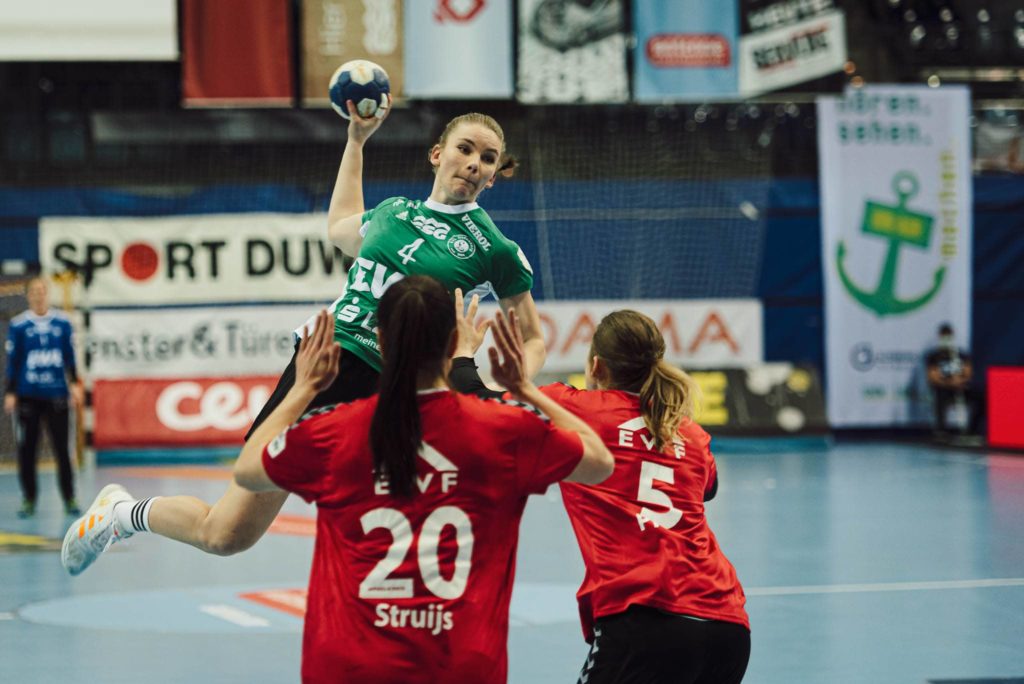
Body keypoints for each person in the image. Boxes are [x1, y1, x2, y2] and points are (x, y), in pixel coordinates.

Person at [62, 102, 548, 575]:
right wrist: (356, 140)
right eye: (465, 148)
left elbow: (531, 338)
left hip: (404, 392)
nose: (475, 163)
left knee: (389, 523)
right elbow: (339, 228)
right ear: (437, 154)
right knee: (227, 534)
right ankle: (121, 514)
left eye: (488, 158)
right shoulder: (393, 212)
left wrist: (507, 387)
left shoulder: (495, 250)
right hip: (330, 364)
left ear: (493, 175)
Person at [235, 276, 611, 682]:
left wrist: (303, 388)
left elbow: (248, 469)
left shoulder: (335, 430)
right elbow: (600, 461)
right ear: (453, 343)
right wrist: (524, 388)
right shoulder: (504, 430)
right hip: (460, 666)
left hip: (350, 667)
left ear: (380, 341)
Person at [449, 291, 750, 684]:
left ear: (596, 366)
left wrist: (462, 353)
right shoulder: (689, 432)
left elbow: (479, 405)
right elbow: (707, 488)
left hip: (644, 619)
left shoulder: (576, 408)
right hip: (727, 627)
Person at [4, 276, 83, 518]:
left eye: (42, 291)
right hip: (28, 396)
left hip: (56, 394)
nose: (38, 295)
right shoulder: (19, 325)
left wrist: (75, 383)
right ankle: (29, 499)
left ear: (46, 294)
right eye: (34, 292)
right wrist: (11, 392)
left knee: (62, 450)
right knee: (27, 450)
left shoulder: (62, 322)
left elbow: (69, 356)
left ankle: (69, 498)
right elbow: (13, 361)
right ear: (28, 295)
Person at [924, 322, 977, 437]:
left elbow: (968, 372)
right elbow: (933, 377)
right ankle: (941, 431)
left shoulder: (960, 354)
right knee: (940, 395)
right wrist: (950, 382)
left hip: (960, 386)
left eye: (949, 336)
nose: (947, 339)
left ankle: (972, 430)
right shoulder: (934, 356)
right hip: (944, 387)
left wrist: (960, 381)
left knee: (979, 397)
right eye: (944, 336)